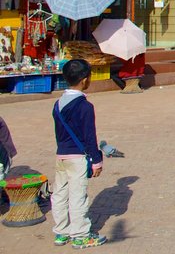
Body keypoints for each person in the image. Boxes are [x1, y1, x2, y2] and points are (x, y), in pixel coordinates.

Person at [51, 59, 107, 249]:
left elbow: (59, 134)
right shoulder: (85, 106)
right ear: (84, 80)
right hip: (77, 157)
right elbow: (90, 136)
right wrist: (96, 160)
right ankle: (81, 235)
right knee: (77, 196)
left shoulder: (58, 104)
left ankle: (61, 232)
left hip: (61, 155)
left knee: (59, 194)